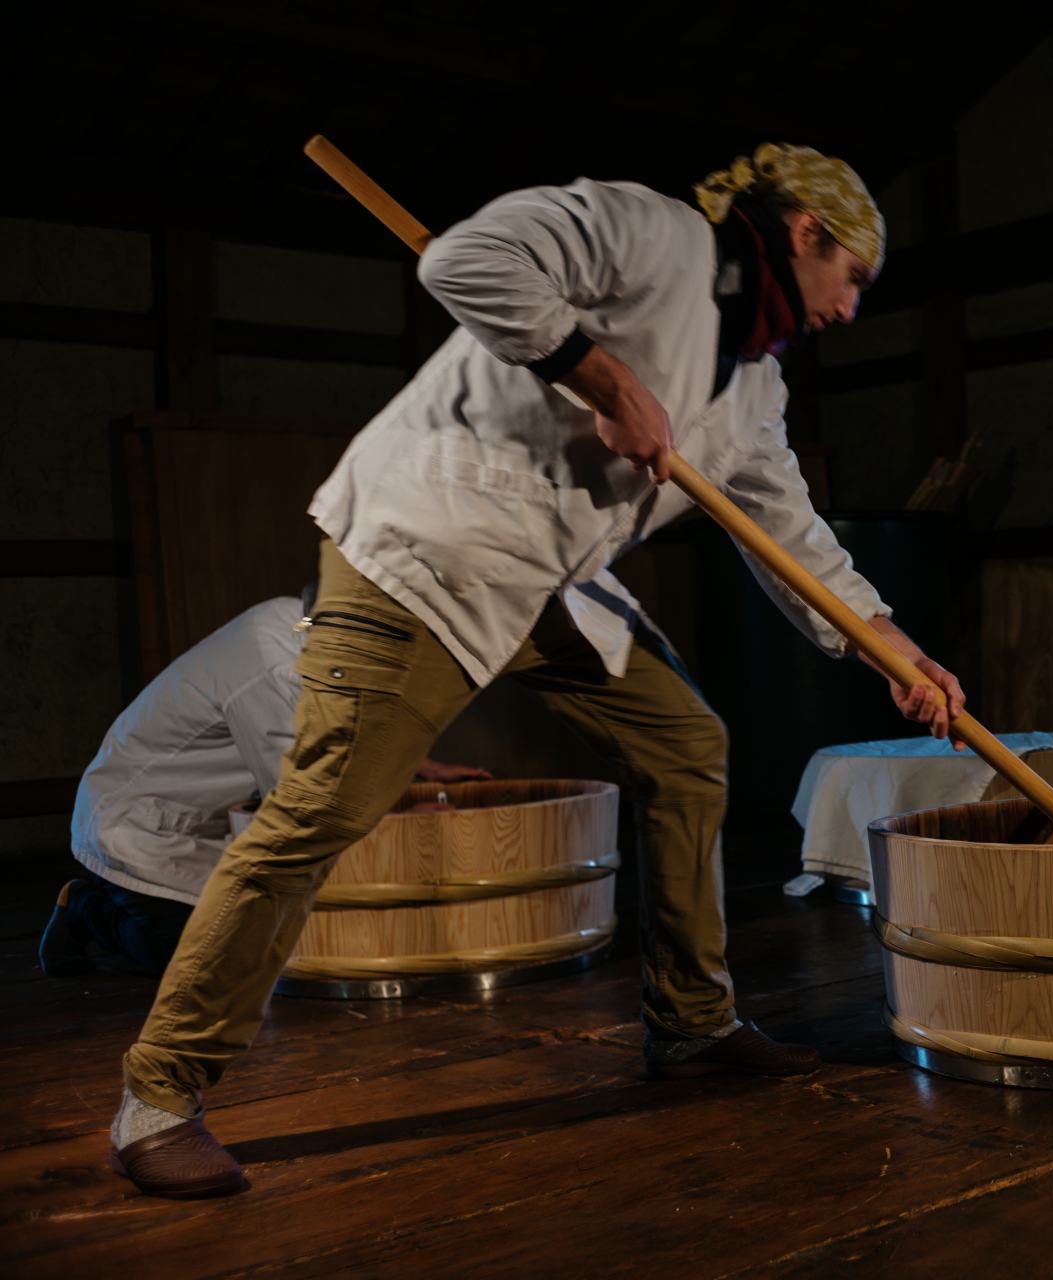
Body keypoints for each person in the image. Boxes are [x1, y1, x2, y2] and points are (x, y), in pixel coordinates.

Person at [108, 143, 967, 1199]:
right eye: (854, 281)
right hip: (421, 551)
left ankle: (693, 1024)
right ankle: (159, 1094)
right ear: (806, 233)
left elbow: (784, 529)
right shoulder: (650, 233)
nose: (850, 309)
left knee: (687, 744)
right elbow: (466, 259)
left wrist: (889, 642)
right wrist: (602, 378)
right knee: (321, 809)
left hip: (548, 584)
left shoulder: (753, 386)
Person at [41, 591, 493, 980]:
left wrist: (422, 767)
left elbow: (340, 716)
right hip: (137, 824)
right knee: (217, 963)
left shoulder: (300, 619)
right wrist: (399, 822)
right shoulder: (277, 666)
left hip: (212, 822)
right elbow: (309, 800)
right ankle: (88, 910)